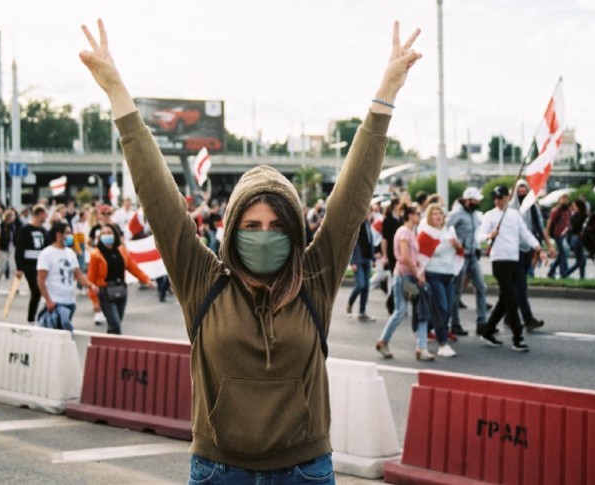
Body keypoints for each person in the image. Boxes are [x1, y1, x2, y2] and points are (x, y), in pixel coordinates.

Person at [80, 17, 420, 480]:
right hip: (219, 470)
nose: (264, 234)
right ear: (233, 229)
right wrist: (118, 94)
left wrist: (385, 96)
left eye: (277, 226)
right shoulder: (201, 280)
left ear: (296, 233)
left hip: (304, 470)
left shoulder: (314, 278)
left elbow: (352, 196)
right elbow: (158, 198)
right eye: (252, 224)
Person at [476, 186, 542, 351]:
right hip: (499, 261)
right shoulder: (490, 215)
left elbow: (525, 233)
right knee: (511, 300)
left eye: (501, 197)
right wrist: (489, 236)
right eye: (495, 198)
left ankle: (487, 331)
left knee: (505, 300)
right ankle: (517, 338)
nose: (497, 200)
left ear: (507, 197)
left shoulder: (514, 215)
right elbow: (479, 236)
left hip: (514, 259)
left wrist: (537, 246)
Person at [376, 204, 435, 360]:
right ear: (409, 215)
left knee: (418, 309)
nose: (419, 215)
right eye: (417, 213)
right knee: (404, 311)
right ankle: (416, 347)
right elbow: (404, 256)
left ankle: (420, 347)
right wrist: (417, 274)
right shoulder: (404, 232)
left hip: (407, 276)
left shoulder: (411, 232)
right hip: (404, 277)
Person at [87, 222, 154, 334]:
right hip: (105, 292)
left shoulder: (122, 251)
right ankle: (114, 347)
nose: (107, 235)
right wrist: (94, 300)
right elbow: (91, 279)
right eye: (104, 233)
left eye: (109, 233)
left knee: (116, 323)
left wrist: (146, 280)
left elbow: (133, 268)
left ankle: (109, 346)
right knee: (115, 324)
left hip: (120, 290)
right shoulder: (95, 254)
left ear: (114, 235)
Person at [37, 221, 97, 331]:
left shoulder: (70, 253)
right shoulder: (47, 254)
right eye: (67, 233)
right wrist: (48, 300)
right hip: (56, 302)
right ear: (58, 234)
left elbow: (78, 274)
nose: (70, 236)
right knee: (62, 332)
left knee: (63, 333)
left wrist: (91, 286)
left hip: (70, 301)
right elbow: (41, 280)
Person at [418, 203, 460, 357]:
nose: (438, 216)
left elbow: (458, 250)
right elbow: (422, 255)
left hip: (448, 274)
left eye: (440, 214)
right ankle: (442, 343)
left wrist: (457, 245)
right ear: (430, 217)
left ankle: (425, 328)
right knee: (441, 307)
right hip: (433, 273)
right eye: (435, 214)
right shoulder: (426, 233)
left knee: (448, 308)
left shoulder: (448, 232)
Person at [509, 180, 552, 330]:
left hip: (528, 250)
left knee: (514, 288)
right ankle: (528, 320)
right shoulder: (510, 209)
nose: (522, 194)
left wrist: (546, 246)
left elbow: (539, 228)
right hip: (514, 252)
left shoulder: (533, 207)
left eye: (524, 191)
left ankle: (509, 317)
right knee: (520, 287)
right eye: (519, 191)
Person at [446, 187, 487, 335]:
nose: (478, 203)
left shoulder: (475, 214)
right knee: (457, 291)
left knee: (482, 287)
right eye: (476, 200)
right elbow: (444, 227)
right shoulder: (457, 213)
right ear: (468, 200)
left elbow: (477, 232)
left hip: (473, 256)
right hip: (460, 256)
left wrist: (477, 245)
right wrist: (454, 242)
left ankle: (482, 322)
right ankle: (454, 323)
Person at [15, 205, 49, 323]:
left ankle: (45, 317)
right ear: (39, 214)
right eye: (45, 214)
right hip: (29, 265)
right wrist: (19, 267)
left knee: (43, 291)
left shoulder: (44, 231)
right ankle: (31, 319)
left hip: (42, 265)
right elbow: (19, 249)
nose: (46, 216)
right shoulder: (25, 230)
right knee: (36, 290)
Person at [346, 210, 375, 321]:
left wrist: (372, 257)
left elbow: (370, 241)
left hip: (367, 259)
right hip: (358, 260)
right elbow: (351, 245)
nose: (367, 214)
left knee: (366, 287)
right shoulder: (355, 225)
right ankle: (350, 302)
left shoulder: (368, 224)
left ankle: (362, 312)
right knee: (361, 284)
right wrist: (352, 262)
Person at [0, 209, 19, 294]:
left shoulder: (13, 225)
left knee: (13, 268)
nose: (14, 217)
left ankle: (13, 287)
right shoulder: (1, 225)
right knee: (3, 268)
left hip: (12, 248)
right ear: (9, 216)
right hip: (3, 248)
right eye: (13, 215)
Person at [546, 193, 571, 279]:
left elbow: (568, 222)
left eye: (566, 199)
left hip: (565, 234)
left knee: (561, 254)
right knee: (563, 253)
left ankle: (552, 270)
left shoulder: (568, 210)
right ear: (559, 200)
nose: (564, 201)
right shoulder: (556, 210)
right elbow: (549, 222)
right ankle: (564, 272)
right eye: (562, 199)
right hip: (557, 234)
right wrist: (547, 235)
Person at [563, 198, 588, 279]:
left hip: (575, 239)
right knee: (580, 261)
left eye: (575, 205)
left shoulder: (575, 216)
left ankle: (582, 277)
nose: (573, 207)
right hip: (578, 239)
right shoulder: (582, 216)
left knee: (582, 260)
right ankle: (565, 275)